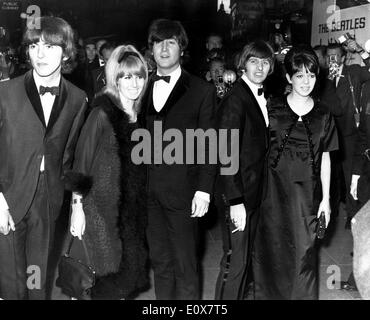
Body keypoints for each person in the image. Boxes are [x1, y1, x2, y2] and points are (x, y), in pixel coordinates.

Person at [0, 16, 88, 300]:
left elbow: (72, 158)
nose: (40, 55)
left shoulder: (77, 99)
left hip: (47, 202)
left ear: (66, 53)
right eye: (35, 46)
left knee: (36, 281)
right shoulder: (5, 93)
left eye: (50, 47)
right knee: (11, 286)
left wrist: (77, 205)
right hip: (8, 199)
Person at [253, 46, 338, 300]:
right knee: (271, 255)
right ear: (289, 78)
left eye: (311, 75)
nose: (306, 82)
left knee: (304, 255)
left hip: (306, 198)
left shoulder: (324, 115)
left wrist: (326, 200)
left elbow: (326, 156)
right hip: (271, 195)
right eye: (299, 75)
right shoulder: (271, 108)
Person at [64, 45, 149, 300]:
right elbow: (81, 164)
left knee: (125, 279)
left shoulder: (141, 115)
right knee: (103, 279)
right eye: (127, 76)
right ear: (116, 79)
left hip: (130, 211)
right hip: (99, 210)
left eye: (139, 76)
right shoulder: (101, 114)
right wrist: (77, 208)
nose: (134, 83)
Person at [141, 19, 217, 300]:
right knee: (160, 263)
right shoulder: (141, 86)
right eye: (158, 42)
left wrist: (204, 190)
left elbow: (210, 144)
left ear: (181, 49)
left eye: (170, 41)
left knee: (185, 265)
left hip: (185, 192)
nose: (164, 47)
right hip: (149, 192)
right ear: (151, 49)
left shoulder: (201, 90)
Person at [214, 40, 275, 300]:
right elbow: (225, 153)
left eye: (265, 62)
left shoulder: (262, 96)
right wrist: (235, 201)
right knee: (235, 263)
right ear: (243, 65)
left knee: (248, 259)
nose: (259, 67)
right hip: (238, 195)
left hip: (255, 192)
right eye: (254, 61)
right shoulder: (235, 98)